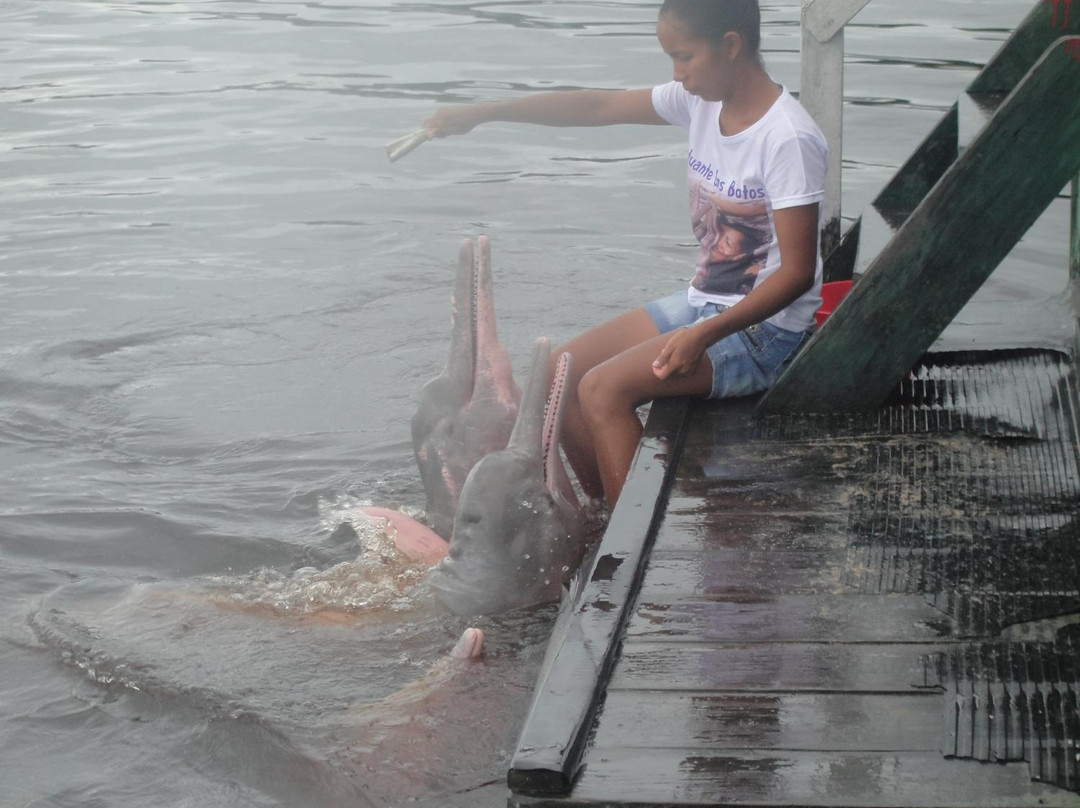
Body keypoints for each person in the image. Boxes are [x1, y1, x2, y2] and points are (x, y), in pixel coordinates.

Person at [422, 0, 827, 507]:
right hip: (705, 303)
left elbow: (796, 273)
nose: (677, 75)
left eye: (684, 57)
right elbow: (598, 107)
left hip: (764, 332)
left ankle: (622, 544)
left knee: (602, 390)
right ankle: (603, 513)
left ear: (730, 45)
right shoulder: (701, 101)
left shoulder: (787, 137)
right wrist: (485, 114)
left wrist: (701, 335)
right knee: (558, 373)